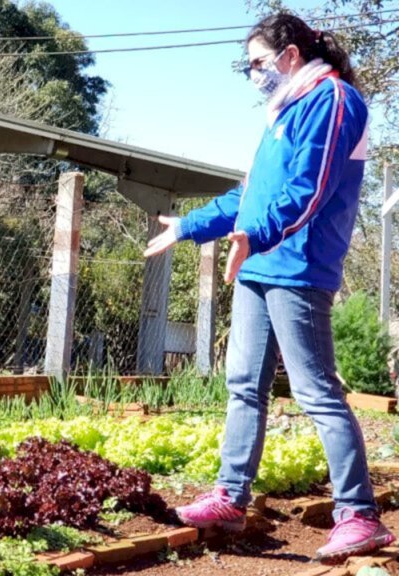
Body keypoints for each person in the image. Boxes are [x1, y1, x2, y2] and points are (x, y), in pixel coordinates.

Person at [144, 13, 394, 561]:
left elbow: (310, 189)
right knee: (243, 387)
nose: (253, 75)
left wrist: (255, 235)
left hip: (298, 267)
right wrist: (190, 226)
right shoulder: (285, 110)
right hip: (261, 265)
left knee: (316, 392)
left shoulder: (333, 101)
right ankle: (230, 498)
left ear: (290, 57)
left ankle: (359, 515)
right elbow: (253, 195)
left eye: (256, 63)